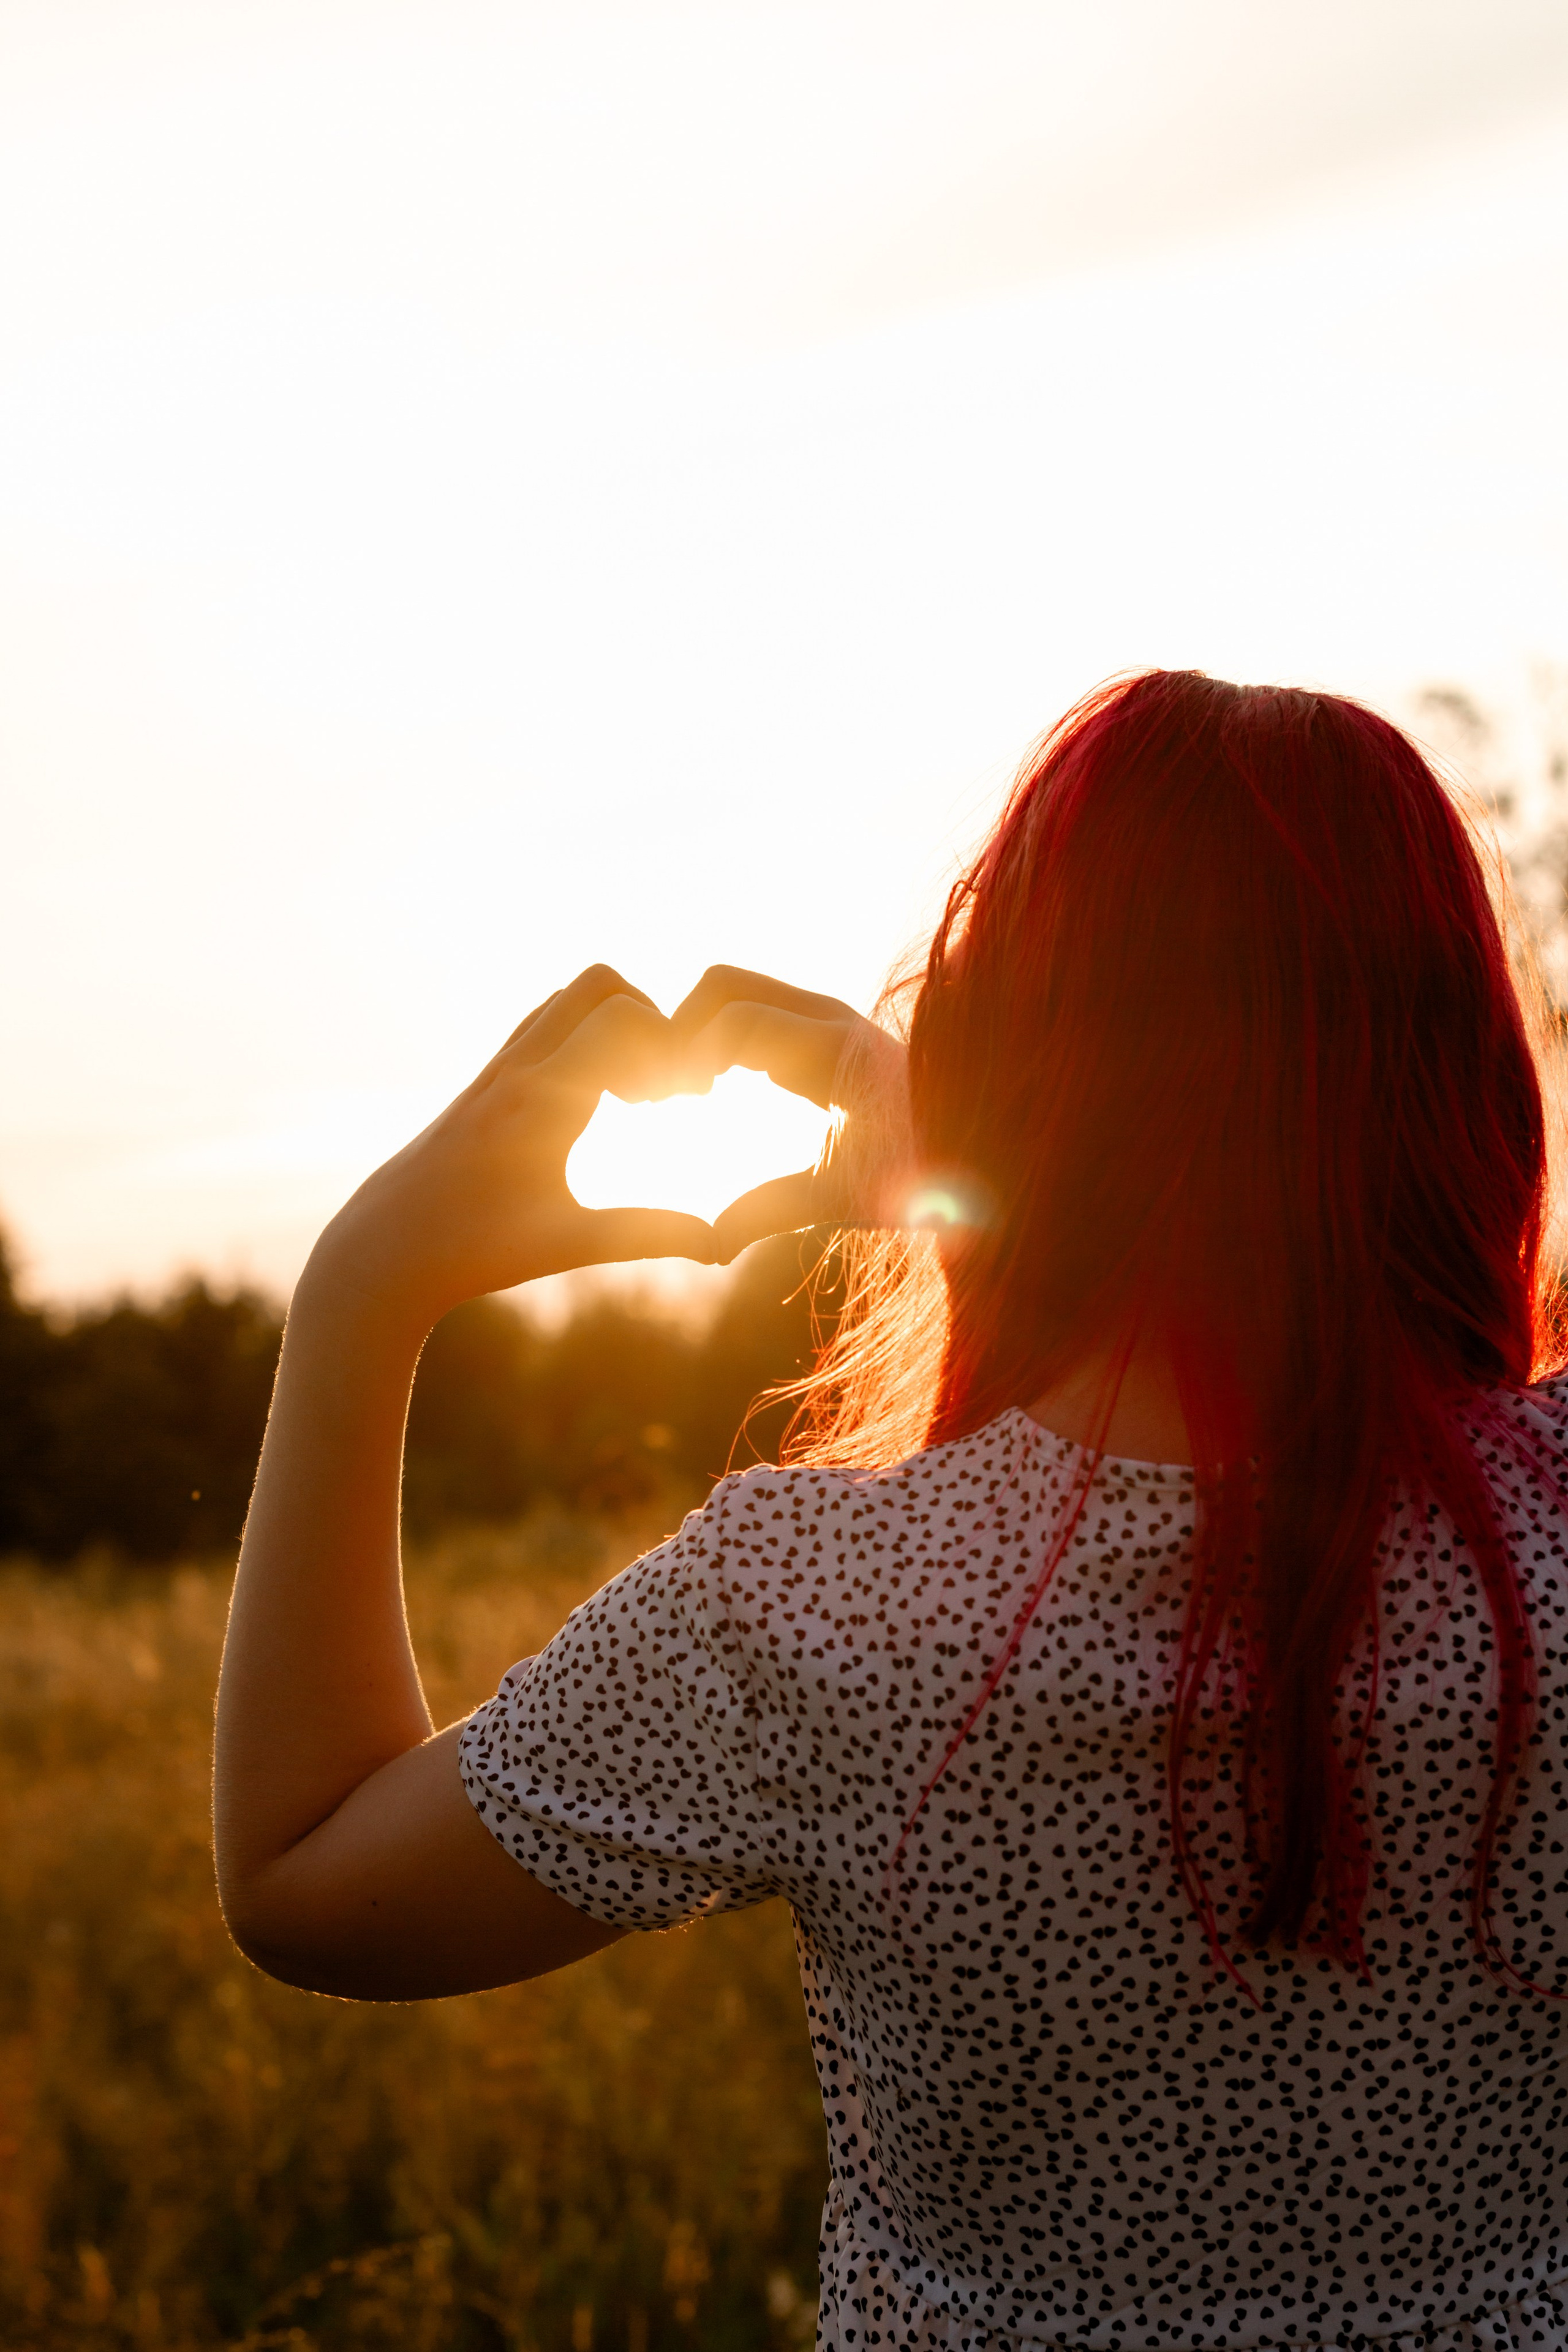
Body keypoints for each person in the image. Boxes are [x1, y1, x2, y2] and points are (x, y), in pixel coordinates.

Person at [214, 669, 1568, 2352]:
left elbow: (303, 1882)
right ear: (1464, 1070)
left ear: (1005, 1055)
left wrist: (367, 1284)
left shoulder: (823, 1609)